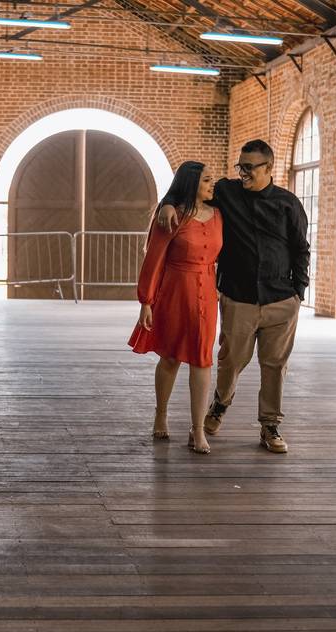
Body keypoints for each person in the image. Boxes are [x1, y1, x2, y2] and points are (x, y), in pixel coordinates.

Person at [161, 140, 309, 454]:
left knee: (274, 365)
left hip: (281, 299)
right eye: (240, 166)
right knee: (231, 361)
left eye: (249, 167)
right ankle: (219, 405)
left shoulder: (289, 204)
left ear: (269, 168)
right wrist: (168, 204)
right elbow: (187, 186)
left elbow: (300, 249)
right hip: (238, 297)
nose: (242, 172)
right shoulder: (226, 193)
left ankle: (270, 425)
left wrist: (299, 291)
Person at [129, 161, 222, 454]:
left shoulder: (219, 214)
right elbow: (154, 259)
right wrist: (146, 301)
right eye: (207, 180)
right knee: (170, 358)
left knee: (203, 359)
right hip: (174, 291)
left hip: (207, 292)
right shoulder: (172, 216)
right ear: (192, 183)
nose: (212, 185)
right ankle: (161, 414)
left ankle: (197, 430)